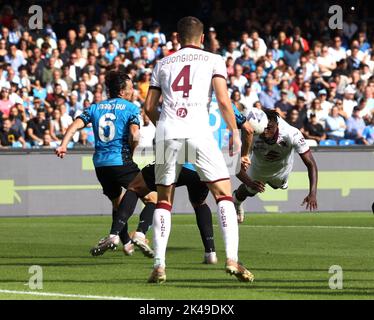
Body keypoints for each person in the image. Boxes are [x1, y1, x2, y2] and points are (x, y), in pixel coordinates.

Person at [144, 16, 254, 283]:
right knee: (223, 194)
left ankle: (159, 265)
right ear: (202, 38)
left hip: (168, 132)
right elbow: (224, 101)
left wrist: (165, 128)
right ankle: (231, 259)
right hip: (198, 132)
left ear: (177, 37)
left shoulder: (162, 63)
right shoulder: (214, 60)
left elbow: (149, 107)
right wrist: (235, 134)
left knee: (163, 199)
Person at [55, 70, 156, 256]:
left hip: (101, 164)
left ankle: (124, 243)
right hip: (121, 160)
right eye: (131, 87)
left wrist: (63, 144)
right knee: (152, 198)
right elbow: (135, 135)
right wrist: (132, 151)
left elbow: (76, 124)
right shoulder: (131, 107)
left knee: (118, 204)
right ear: (122, 92)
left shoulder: (95, 107)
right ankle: (138, 234)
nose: (133, 90)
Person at [233, 109, 318, 223]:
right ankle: (236, 201)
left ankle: (270, 183)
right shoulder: (251, 133)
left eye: (270, 128)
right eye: (264, 128)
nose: (265, 132)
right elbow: (234, 166)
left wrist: (312, 193)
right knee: (251, 190)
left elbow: (311, 164)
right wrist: (249, 182)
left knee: (276, 186)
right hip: (258, 168)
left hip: (281, 171)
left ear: (277, 125)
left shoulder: (292, 134)